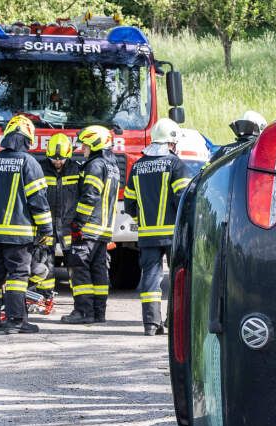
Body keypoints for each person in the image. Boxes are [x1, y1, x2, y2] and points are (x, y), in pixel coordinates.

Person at [0, 115, 53, 334]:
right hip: (19, 233)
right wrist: (46, 229)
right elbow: (38, 200)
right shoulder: (29, 163)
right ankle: (16, 321)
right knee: (18, 276)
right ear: (28, 139)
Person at [125, 118, 193, 335]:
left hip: (147, 235)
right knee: (177, 278)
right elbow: (183, 200)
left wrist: (143, 221)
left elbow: (129, 204)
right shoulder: (176, 165)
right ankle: (174, 323)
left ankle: (151, 324)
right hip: (174, 234)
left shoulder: (137, 166)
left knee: (150, 279)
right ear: (171, 142)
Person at [60, 125, 121, 325]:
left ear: (95, 144)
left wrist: (78, 222)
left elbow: (90, 196)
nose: (83, 149)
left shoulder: (95, 166)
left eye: (85, 145)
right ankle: (99, 313)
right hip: (103, 230)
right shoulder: (112, 166)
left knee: (79, 269)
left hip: (88, 229)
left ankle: (83, 312)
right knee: (99, 271)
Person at [34, 133, 81, 305]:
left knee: (75, 263)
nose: (58, 162)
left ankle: (80, 299)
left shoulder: (77, 170)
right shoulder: (39, 170)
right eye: (54, 159)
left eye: (61, 159)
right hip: (46, 225)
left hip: (69, 226)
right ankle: (45, 298)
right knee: (45, 261)